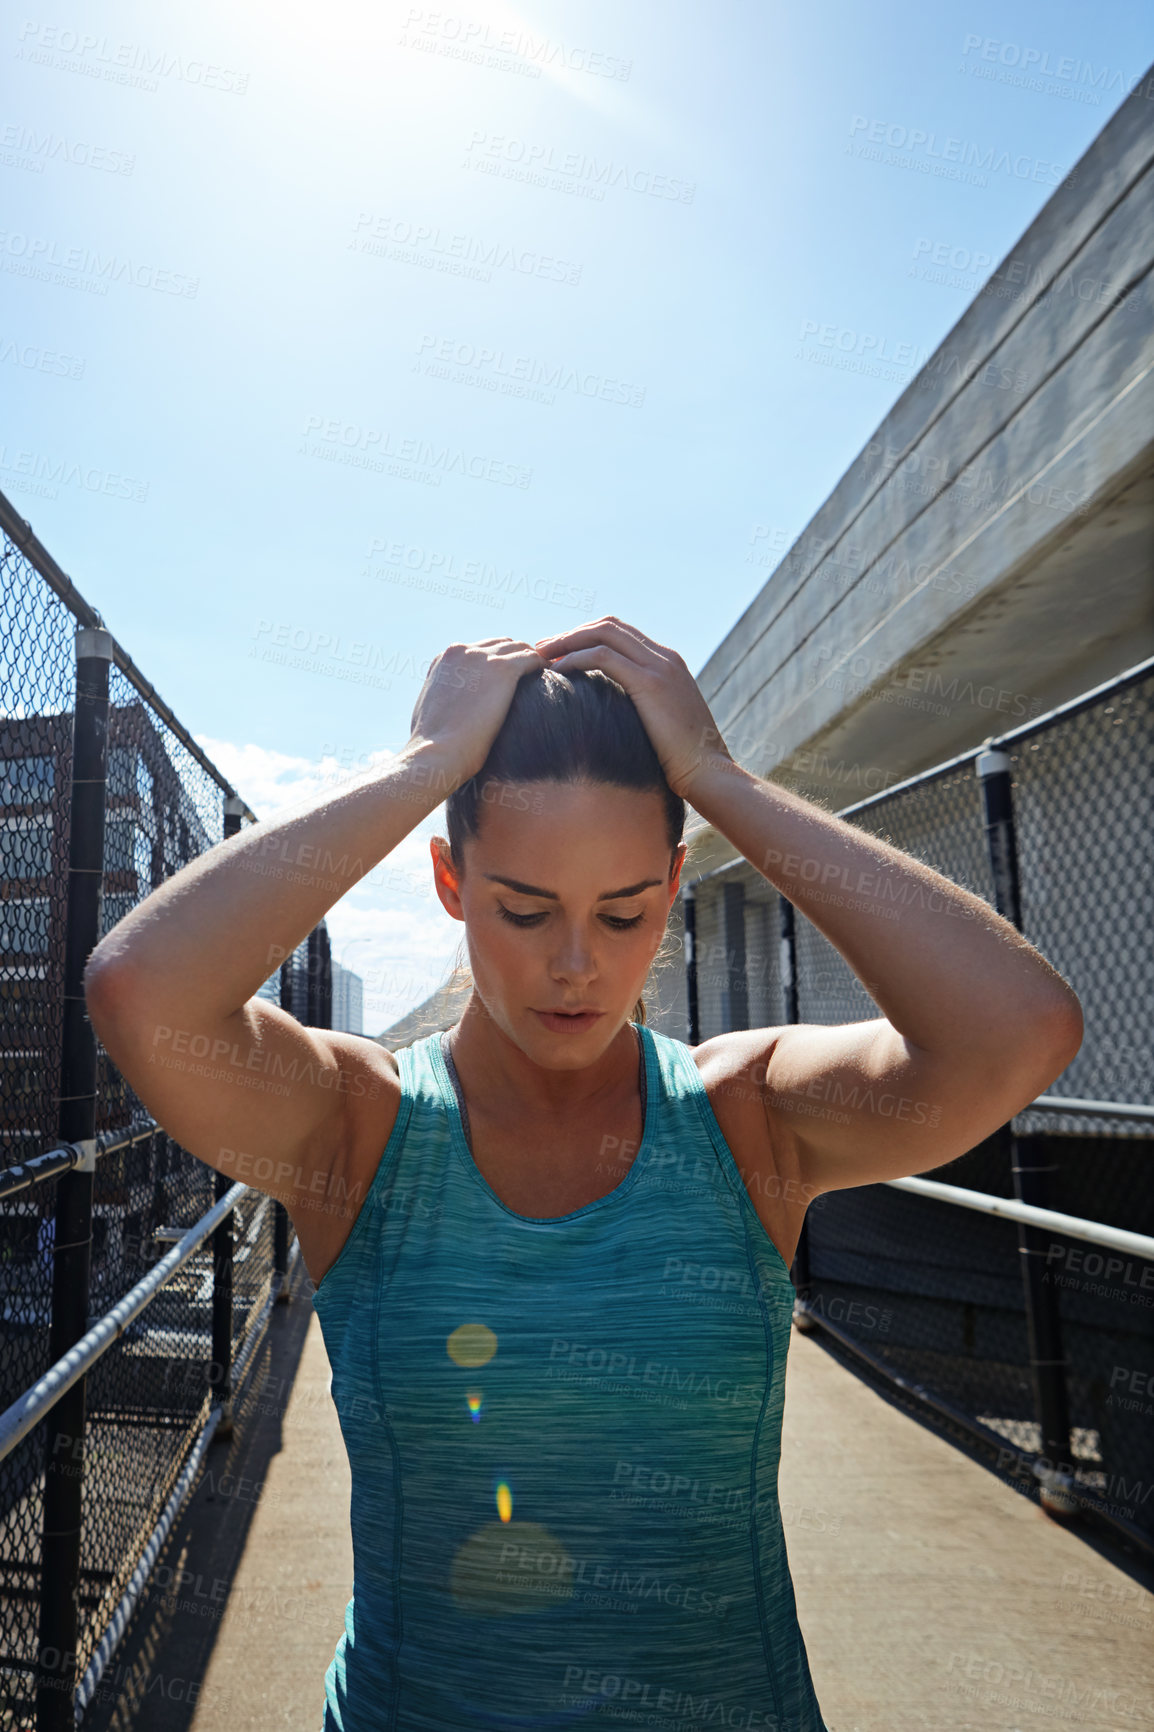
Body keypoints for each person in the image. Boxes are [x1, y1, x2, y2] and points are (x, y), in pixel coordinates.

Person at [84, 618, 1083, 1731]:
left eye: (622, 912)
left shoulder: (746, 1116)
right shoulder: (358, 1131)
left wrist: (717, 777)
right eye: (522, 909)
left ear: (670, 886)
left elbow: (1017, 1029)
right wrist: (425, 767)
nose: (575, 964)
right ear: (450, 882)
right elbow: (141, 993)